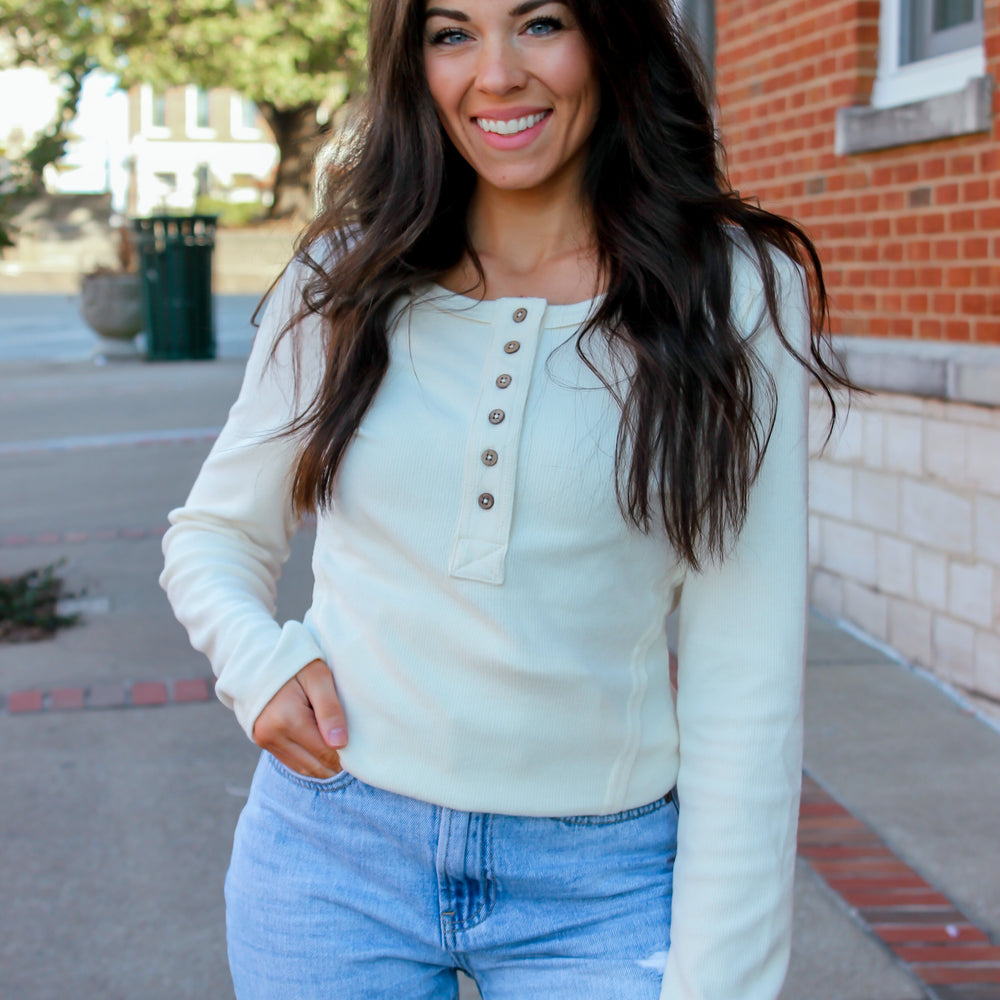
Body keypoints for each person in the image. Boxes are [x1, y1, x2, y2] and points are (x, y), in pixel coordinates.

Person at [160, 0, 848, 997]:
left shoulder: (732, 293)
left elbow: (746, 684)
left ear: (610, 38)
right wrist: (257, 665)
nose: (495, 74)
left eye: (539, 23)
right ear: (416, 64)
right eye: (451, 33)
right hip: (332, 855)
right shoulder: (345, 277)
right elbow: (213, 534)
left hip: (600, 886)